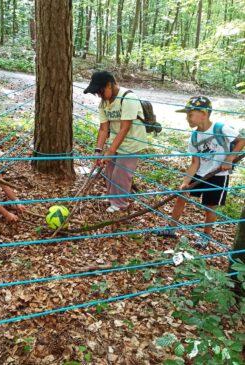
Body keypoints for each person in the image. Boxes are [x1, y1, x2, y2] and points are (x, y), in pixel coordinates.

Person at [157, 96, 245, 247]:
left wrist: (229, 159)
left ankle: (206, 236)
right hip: (200, 173)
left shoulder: (220, 128)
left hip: (218, 175)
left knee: (210, 206)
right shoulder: (195, 136)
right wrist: (185, 182)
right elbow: (195, 162)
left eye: (190, 114)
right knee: (182, 195)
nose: (187, 118)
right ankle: (171, 228)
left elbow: (241, 140)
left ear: (203, 113)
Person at [84, 71, 147, 212]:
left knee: (121, 174)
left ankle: (120, 204)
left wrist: (110, 151)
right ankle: (112, 198)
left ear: (109, 85)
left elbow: (125, 128)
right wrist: (98, 152)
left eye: (100, 91)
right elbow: (103, 128)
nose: (99, 95)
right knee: (110, 171)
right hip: (115, 141)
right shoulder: (104, 103)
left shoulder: (128, 98)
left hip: (131, 143)